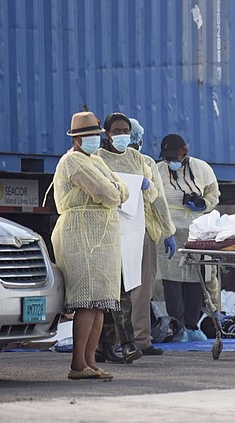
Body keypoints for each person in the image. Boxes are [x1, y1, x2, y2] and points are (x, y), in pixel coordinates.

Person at [51, 111, 128, 380]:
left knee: (99, 304)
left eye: (96, 135)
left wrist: (115, 191)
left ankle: (90, 361)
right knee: (85, 301)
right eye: (90, 136)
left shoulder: (96, 160)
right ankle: (77, 364)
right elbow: (107, 192)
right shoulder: (72, 161)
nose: (95, 139)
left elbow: (122, 190)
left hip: (102, 236)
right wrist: (114, 191)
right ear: (77, 139)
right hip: (79, 235)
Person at [92, 113, 160, 363]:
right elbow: (100, 187)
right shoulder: (97, 158)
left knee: (125, 287)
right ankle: (116, 343)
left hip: (133, 229)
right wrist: (127, 184)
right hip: (107, 227)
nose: (122, 136)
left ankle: (115, 344)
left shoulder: (137, 158)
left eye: (126, 131)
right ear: (106, 133)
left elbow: (153, 194)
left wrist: (145, 185)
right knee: (109, 288)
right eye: (116, 131)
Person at [157, 134, 220, 341]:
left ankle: (192, 326)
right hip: (169, 230)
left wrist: (203, 204)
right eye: (167, 158)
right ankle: (176, 325)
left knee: (195, 278)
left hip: (195, 229)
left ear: (184, 152)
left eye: (174, 157)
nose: (171, 162)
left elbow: (213, 193)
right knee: (171, 280)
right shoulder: (158, 170)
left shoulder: (201, 168)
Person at [127, 118, 177, 355]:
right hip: (141, 229)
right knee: (142, 286)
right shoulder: (145, 161)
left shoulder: (102, 159)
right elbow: (158, 201)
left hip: (111, 230)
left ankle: (118, 338)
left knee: (117, 288)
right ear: (140, 139)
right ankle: (140, 339)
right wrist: (168, 232)